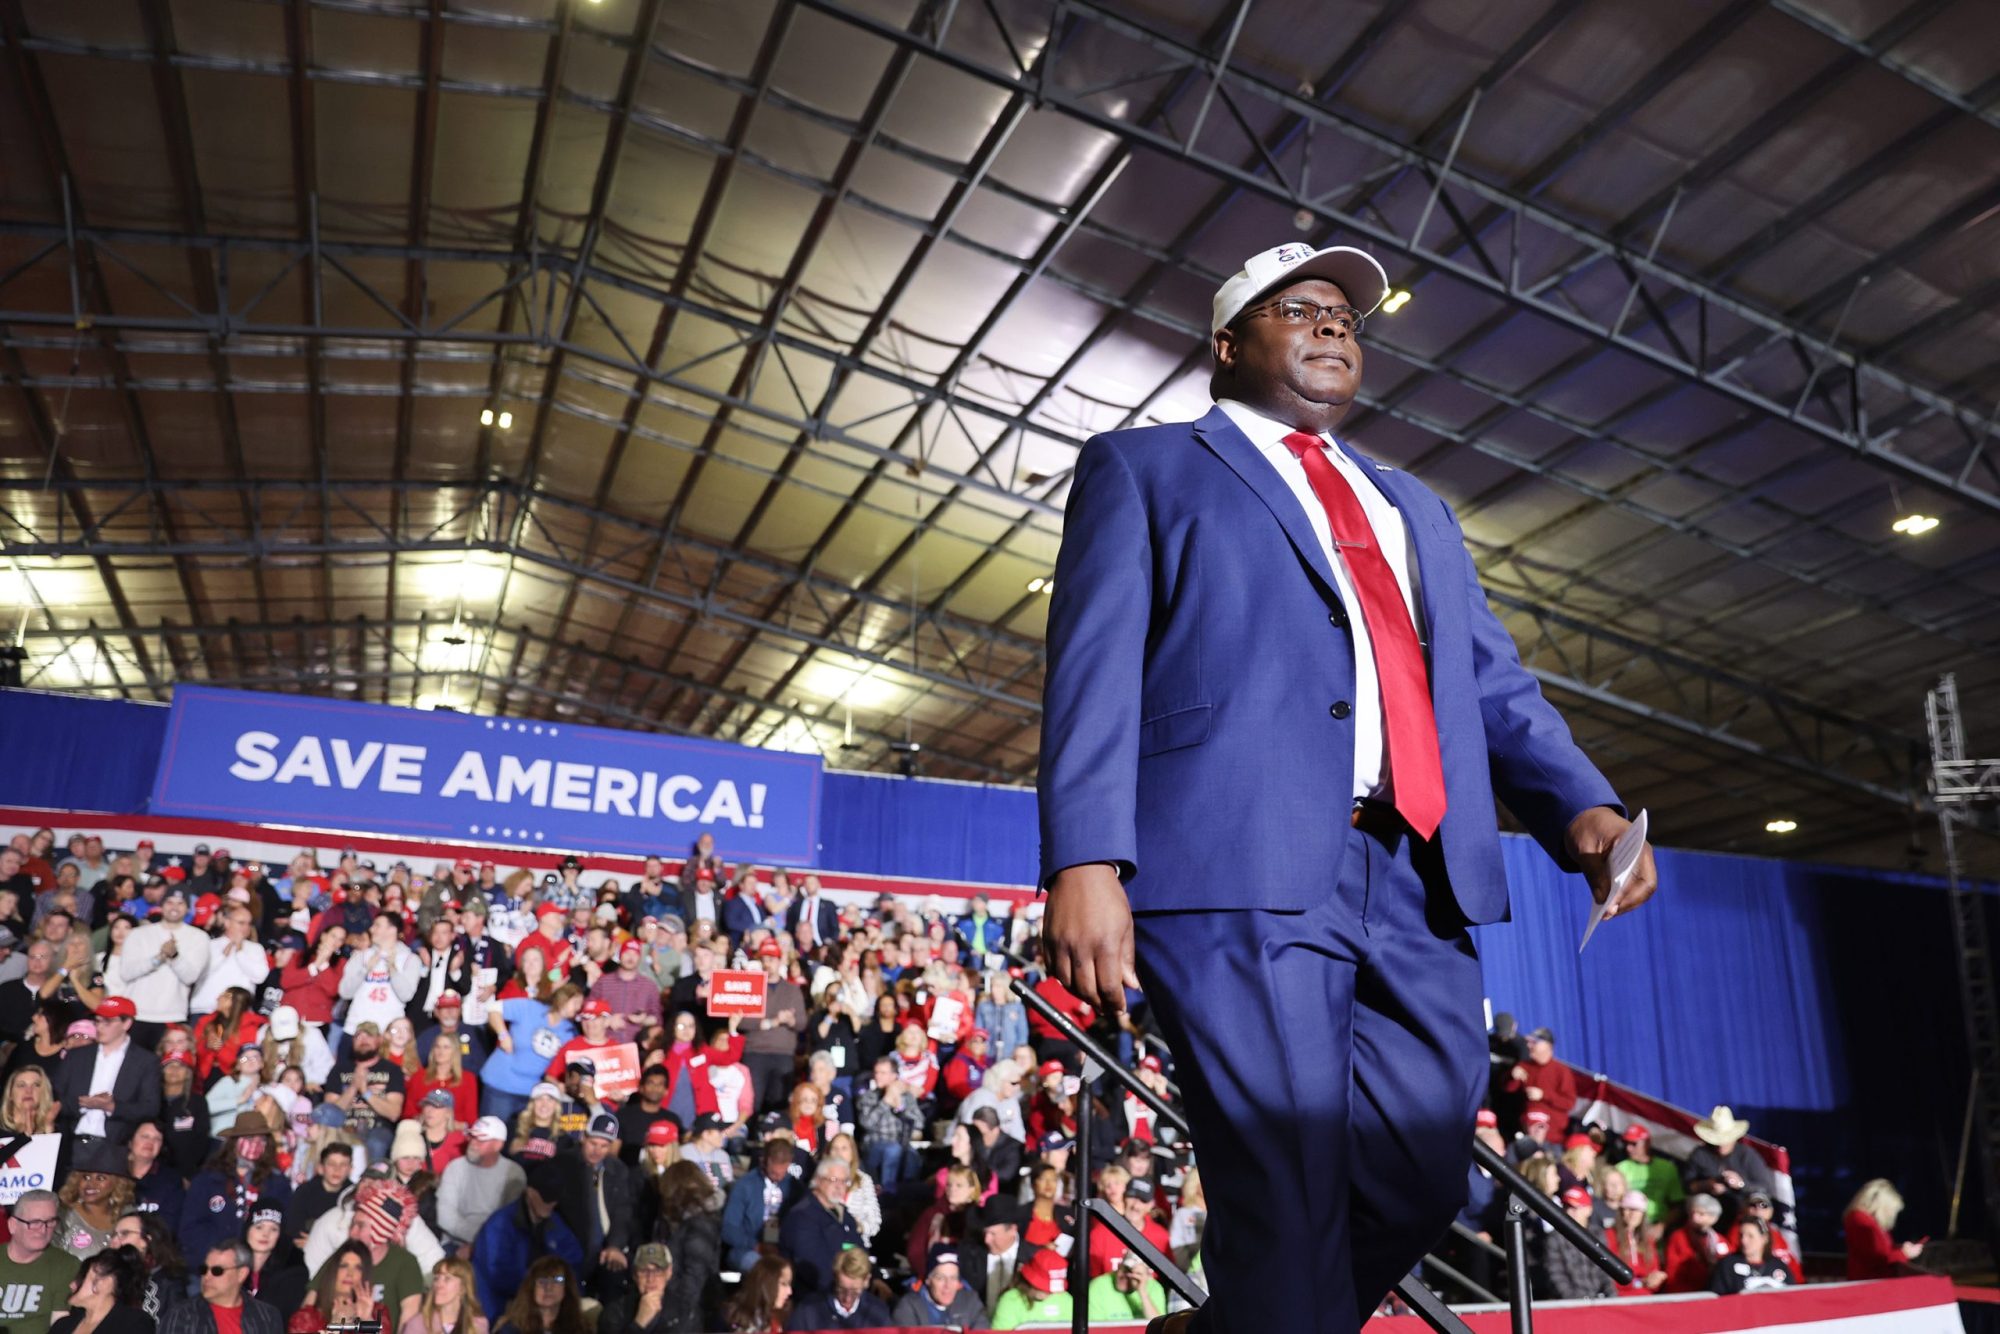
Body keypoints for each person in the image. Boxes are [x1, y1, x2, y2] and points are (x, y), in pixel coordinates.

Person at [1036, 241, 1655, 1334]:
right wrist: (1084, 858)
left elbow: (1485, 679)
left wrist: (1581, 805)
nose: (1332, 326)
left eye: (1345, 316)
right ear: (1228, 345)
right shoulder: (1142, 466)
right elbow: (1090, 669)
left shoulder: (1411, 503)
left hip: (1417, 873)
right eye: (1299, 309)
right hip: (1237, 865)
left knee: (1421, 1176)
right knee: (1283, 1181)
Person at [182, 1111, 294, 1267]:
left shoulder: (277, 1183)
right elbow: (190, 1228)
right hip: (213, 1264)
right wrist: (221, 1256)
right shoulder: (208, 1180)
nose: (256, 1144)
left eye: (261, 1140)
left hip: (260, 1267)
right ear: (233, 1142)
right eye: (249, 1138)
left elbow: (285, 1226)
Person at [471, 1168, 583, 1320]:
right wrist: (537, 1288)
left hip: (542, 1301)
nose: (550, 1203)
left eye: (554, 1198)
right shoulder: (500, 1225)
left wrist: (561, 1288)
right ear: (529, 1192)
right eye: (545, 1197)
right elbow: (498, 1274)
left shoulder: (555, 1224)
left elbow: (573, 1262)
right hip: (501, 1306)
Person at [53, 996, 160, 1142]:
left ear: (126, 1023)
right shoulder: (76, 1056)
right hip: (71, 1141)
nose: (99, 1027)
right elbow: (55, 1094)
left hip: (115, 1145)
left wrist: (112, 1107)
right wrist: (83, 1104)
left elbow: (149, 1108)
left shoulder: (145, 1061)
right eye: (97, 1021)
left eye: (107, 1022)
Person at [117, 887, 210, 1047]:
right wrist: (158, 958)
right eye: (170, 902)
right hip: (136, 1014)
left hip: (172, 1015)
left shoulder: (199, 937)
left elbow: (190, 977)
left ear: (188, 908)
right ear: (161, 905)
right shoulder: (138, 934)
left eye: (180, 903)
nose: (174, 907)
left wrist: (174, 956)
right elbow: (126, 973)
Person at [774, 1157, 860, 1300]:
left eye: (844, 1181)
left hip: (849, 1292)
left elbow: (859, 1251)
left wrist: (874, 1278)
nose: (839, 1186)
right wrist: (845, 1290)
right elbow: (814, 1268)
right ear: (819, 1181)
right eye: (833, 1180)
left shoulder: (846, 1216)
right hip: (814, 1298)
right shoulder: (801, 1216)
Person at [0, 1190, 85, 1334]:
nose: (42, 1230)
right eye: (34, 1222)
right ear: (12, 1225)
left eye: (50, 1222)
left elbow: (60, 1325)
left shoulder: (66, 1265)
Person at [437, 1117, 525, 1252]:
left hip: (496, 1244)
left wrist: (481, 1243)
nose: (473, 1143)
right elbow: (445, 1217)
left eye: (481, 1139)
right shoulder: (455, 1168)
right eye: (472, 1137)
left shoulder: (513, 1173)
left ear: (498, 1145)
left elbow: (510, 1221)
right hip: (455, 1242)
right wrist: (475, 1241)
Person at [157, 1242, 284, 1334]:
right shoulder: (181, 1315)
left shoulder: (267, 1317)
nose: (207, 1276)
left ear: (241, 1274)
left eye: (217, 1271)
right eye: (204, 1269)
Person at [722, 1139, 803, 1274]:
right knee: (768, 1271)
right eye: (773, 1173)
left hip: (782, 1249)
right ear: (764, 1161)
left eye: (781, 1174)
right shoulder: (745, 1186)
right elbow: (729, 1228)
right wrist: (756, 1246)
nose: (777, 1178)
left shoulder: (795, 1188)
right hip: (747, 1250)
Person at [1684, 1106, 1776, 1221]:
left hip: (1742, 1212)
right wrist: (1707, 1185)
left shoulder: (1746, 1155)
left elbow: (1766, 1188)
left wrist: (1741, 1184)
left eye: (1725, 1139)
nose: (1721, 1145)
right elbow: (1687, 1186)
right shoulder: (1700, 1154)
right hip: (1708, 1214)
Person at [56, 1140, 136, 1259]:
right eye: (86, 1177)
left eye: (100, 1178)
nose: (90, 1184)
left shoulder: (128, 1216)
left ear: (117, 1183)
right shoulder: (63, 1215)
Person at [855, 1055, 925, 1192]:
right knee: (893, 1150)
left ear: (894, 1076)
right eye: (876, 1072)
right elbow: (866, 1123)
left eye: (883, 1073)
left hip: (901, 1142)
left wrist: (900, 1107)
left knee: (912, 1155)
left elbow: (919, 1122)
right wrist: (885, 1102)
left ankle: (907, 1196)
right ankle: (888, 1193)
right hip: (874, 1145)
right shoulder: (868, 1097)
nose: (877, 1076)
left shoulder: (906, 1097)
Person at [47, 1246, 153, 1334]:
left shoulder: (134, 1323)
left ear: (102, 1283)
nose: (72, 1285)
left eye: (80, 1278)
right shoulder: (62, 1326)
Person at [781, 1246, 889, 1330]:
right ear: (835, 1278)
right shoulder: (808, 1311)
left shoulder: (878, 1313)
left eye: (854, 1291)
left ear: (866, 1281)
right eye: (841, 1289)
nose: (847, 1298)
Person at [292, 1241, 381, 1334]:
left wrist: (367, 1321)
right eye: (344, 1266)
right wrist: (335, 1328)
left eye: (358, 1268)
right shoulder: (306, 1318)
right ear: (333, 1271)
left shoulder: (377, 1313)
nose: (350, 1274)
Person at [1844, 1178, 1925, 1279]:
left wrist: (1900, 1249)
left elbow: (1878, 1252)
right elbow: (1876, 1260)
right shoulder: (1862, 1222)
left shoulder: (1867, 1221)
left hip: (1869, 1280)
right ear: (1882, 1206)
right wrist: (1904, 1254)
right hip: (1869, 1283)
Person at [1542, 1187, 1614, 1300]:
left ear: (1588, 1210)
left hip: (1599, 1300)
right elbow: (1556, 1275)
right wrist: (1576, 1300)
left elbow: (1607, 1271)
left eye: (1576, 1208)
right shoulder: (1554, 1238)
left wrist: (1610, 1297)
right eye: (1567, 1207)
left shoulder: (1598, 1235)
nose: (1570, 1212)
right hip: (1569, 1304)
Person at [890, 1244, 988, 1328]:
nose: (948, 1285)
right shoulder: (909, 1307)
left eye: (953, 1278)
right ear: (928, 1280)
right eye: (941, 1278)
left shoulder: (970, 1303)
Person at [1612, 1124, 1682, 1234]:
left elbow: (1678, 1205)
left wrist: (1662, 1226)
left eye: (1634, 1144)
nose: (1628, 1148)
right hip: (1629, 1225)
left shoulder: (1667, 1168)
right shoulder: (1620, 1169)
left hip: (1657, 1226)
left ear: (1647, 1143)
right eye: (1626, 1143)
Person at [243, 1205, 309, 1317]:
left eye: (273, 1229)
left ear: (280, 1235)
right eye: (259, 1227)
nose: (265, 1234)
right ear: (247, 1230)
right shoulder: (231, 1266)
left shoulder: (291, 1275)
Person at [1727, 1190, 1802, 1284]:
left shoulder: (1774, 1232)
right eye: (1753, 1205)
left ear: (1771, 1211)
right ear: (1744, 1208)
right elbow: (1731, 1264)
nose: (1758, 1209)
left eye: (1763, 1205)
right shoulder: (1739, 1231)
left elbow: (1789, 1262)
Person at [494, 1257, 586, 1334]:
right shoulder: (510, 1330)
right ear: (531, 1288)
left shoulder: (580, 1329)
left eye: (557, 1280)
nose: (549, 1287)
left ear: (567, 1287)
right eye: (542, 1281)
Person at [1663, 1193, 1731, 1293]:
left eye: (1701, 1214)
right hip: (1684, 1292)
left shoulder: (1718, 1240)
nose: (1695, 1218)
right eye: (1692, 1213)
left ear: (1713, 1218)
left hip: (1712, 1291)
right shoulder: (1678, 1237)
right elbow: (1672, 1270)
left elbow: (1727, 1266)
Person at [1709, 1218, 1794, 1295]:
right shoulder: (1727, 1265)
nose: (1743, 1241)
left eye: (1750, 1236)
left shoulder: (1778, 1266)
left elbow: (1792, 1295)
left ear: (1764, 1238)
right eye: (1741, 1235)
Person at [991, 1248, 1071, 1330]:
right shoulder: (1010, 1300)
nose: (1047, 1292)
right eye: (1042, 1287)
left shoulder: (1066, 1300)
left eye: (1051, 1289)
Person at [1605, 1190, 1666, 1296]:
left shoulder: (1648, 1240)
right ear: (1621, 1211)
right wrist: (1639, 1283)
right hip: (1619, 1298)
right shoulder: (1609, 1236)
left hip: (1646, 1298)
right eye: (1628, 1209)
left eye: (1637, 1210)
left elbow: (1653, 1271)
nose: (1633, 1214)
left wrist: (1656, 1279)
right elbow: (1608, 1276)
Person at [406, 1257, 487, 1334]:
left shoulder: (477, 1325)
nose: (438, 1285)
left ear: (463, 1288)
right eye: (436, 1279)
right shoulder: (419, 1324)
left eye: (447, 1279)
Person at [1089, 1251, 1167, 1323]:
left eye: (1136, 1274)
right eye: (1125, 1270)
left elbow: (1158, 1327)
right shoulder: (1098, 1287)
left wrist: (1142, 1291)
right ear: (1119, 1266)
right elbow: (1095, 1329)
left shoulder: (1154, 1287)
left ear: (1147, 1275)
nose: (1128, 1276)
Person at [722, 1257, 790, 1334]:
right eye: (783, 1284)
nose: (789, 1291)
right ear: (766, 1284)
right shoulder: (742, 1324)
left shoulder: (775, 1319)